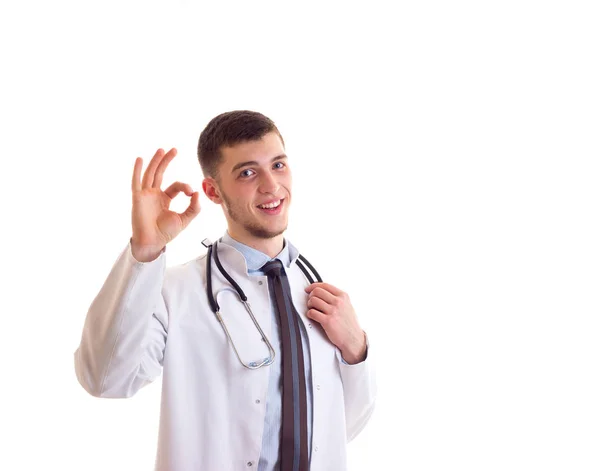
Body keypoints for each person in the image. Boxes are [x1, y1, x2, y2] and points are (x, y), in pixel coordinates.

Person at [74, 110, 376, 471]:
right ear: (213, 191)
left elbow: (344, 428)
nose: (271, 186)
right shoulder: (175, 292)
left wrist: (356, 349)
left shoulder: (322, 295)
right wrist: (144, 252)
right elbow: (104, 379)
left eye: (278, 165)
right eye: (248, 172)